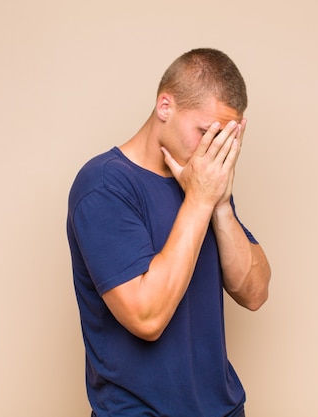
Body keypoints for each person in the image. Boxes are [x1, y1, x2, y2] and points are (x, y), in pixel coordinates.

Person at [66, 48, 271, 417]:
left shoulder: (203, 182)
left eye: (226, 139)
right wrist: (200, 199)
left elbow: (254, 292)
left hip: (223, 408)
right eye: (206, 133)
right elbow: (147, 318)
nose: (214, 151)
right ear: (165, 107)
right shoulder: (104, 185)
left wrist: (220, 204)